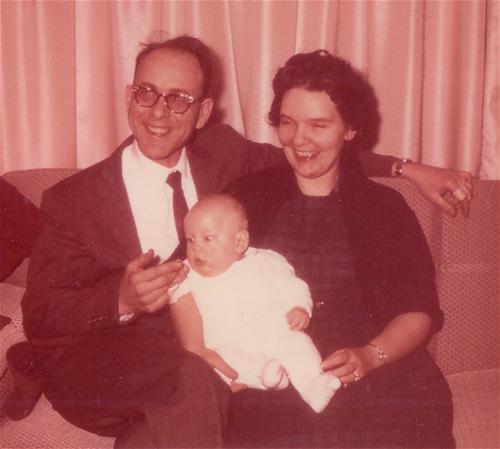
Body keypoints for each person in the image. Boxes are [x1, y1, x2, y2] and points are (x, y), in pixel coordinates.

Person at [19, 35, 466, 448]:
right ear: (129, 96)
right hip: (113, 360)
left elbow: (312, 152)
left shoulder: (228, 160)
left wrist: (407, 168)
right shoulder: (73, 199)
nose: (159, 112)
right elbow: (39, 312)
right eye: (146, 93)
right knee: (195, 383)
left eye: (179, 99)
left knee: (192, 399)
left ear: (203, 112)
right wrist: (120, 298)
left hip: (220, 362)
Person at [220, 50, 455, 448]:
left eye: (319, 124)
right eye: (288, 122)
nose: (299, 139)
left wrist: (369, 356)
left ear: (350, 130)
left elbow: (418, 310)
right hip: (273, 372)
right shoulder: (245, 198)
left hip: (374, 375)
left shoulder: (385, 208)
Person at [169, 194, 341, 413]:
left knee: (297, 344)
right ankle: (267, 376)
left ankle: (312, 385)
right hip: (229, 346)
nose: (196, 248)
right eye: (190, 240)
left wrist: (300, 307)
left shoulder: (268, 260)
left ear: (240, 241)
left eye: (207, 238)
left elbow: (294, 286)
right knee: (222, 362)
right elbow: (175, 292)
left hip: (275, 332)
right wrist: (172, 281)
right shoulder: (187, 274)